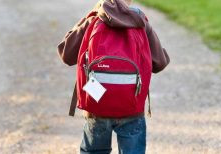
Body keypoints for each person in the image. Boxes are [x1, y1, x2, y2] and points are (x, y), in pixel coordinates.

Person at [57, 0, 169, 153]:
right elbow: (159, 63)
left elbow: (66, 54)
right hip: (132, 106)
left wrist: (89, 16)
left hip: (97, 104)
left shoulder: (94, 19)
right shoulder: (140, 21)